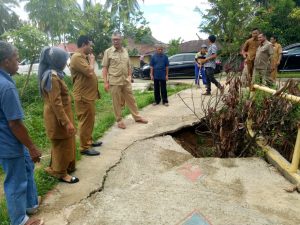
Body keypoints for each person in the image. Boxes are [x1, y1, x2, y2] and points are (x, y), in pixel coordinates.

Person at [0, 41, 44, 225]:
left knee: (27, 167)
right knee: (15, 181)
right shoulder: (6, 86)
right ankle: (19, 220)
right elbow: (15, 123)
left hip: (9, 141)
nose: (18, 63)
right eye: (17, 60)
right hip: (9, 141)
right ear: (6, 61)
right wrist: (32, 146)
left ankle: (31, 204)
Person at [38, 47, 79, 184]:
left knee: (62, 143)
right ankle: (61, 173)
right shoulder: (52, 77)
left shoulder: (54, 74)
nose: (65, 62)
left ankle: (57, 168)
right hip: (58, 118)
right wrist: (66, 122)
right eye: (64, 60)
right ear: (57, 61)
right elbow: (56, 103)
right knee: (61, 144)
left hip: (59, 116)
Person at [102, 31, 148, 129]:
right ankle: (119, 120)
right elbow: (105, 68)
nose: (115, 41)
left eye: (117, 39)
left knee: (131, 100)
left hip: (125, 81)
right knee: (116, 102)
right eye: (113, 39)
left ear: (121, 40)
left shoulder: (125, 51)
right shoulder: (108, 52)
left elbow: (128, 65)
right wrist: (105, 82)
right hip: (114, 81)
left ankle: (137, 117)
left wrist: (130, 76)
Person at [70, 35, 101, 156]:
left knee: (90, 120)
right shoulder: (76, 57)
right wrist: (92, 61)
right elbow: (89, 72)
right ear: (84, 44)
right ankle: (84, 147)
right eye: (90, 45)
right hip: (83, 96)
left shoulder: (83, 57)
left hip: (88, 95)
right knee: (85, 121)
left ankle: (89, 141)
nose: (91, 47)